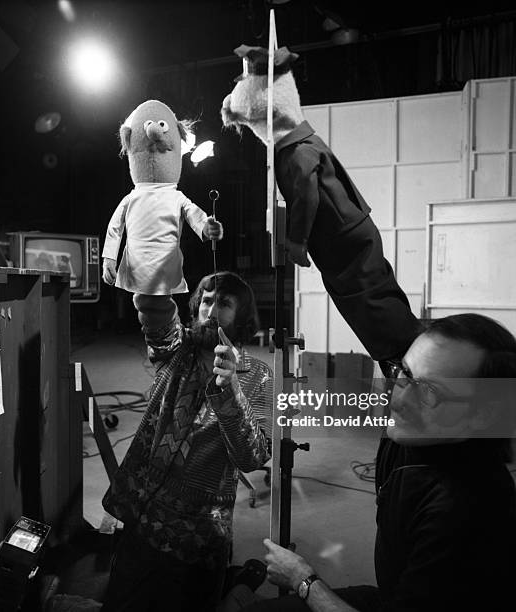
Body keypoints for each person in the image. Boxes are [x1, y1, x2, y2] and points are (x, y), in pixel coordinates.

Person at [242, 313, 516, 612]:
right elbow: (375, 309)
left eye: (429, 391)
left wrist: (302, 579)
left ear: (484, 414)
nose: (397, 399)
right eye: (405, 373)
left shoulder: (464, 511)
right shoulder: (428, 438)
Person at [221, 46, 421, 363]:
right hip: (352, 234)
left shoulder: (297, 151)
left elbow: (306, 193)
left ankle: (409, 356)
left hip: (344, 240)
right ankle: (411, 351)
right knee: (377, 293)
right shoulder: (302, 141)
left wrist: (297, 242)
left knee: (367, 301)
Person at [101, 271, 273, 612]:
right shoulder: (179, 350)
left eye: (224, 303)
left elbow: (252, 457)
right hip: (142, 517)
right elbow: (154, 312)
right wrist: (155, 250)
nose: (211, 310)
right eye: (206, 300)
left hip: (198, 536)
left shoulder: (259, 376)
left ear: (242, 317)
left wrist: (231, 391)